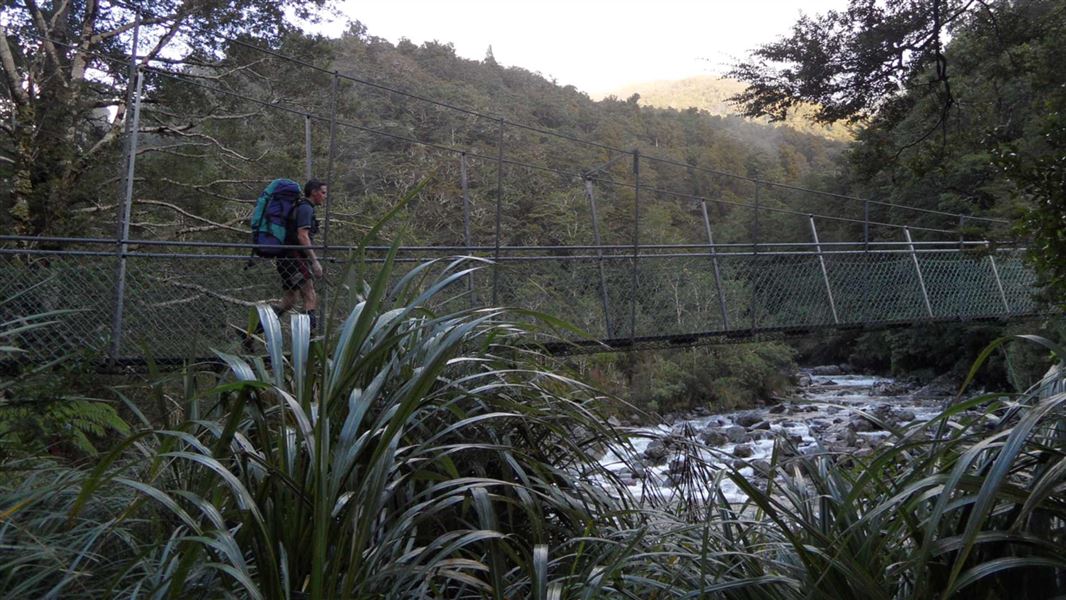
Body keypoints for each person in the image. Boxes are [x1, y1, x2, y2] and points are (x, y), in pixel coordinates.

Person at [273, 178, 326, 332]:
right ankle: (309, 338)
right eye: (323, 193)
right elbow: (302, 235)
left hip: (285, 257)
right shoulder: (305, 208)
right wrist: (315, 262)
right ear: (314, 192)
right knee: (309, 294)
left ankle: (251, 333)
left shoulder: (299, 206)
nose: (325, 196)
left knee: (290, 300)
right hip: (294, 257)